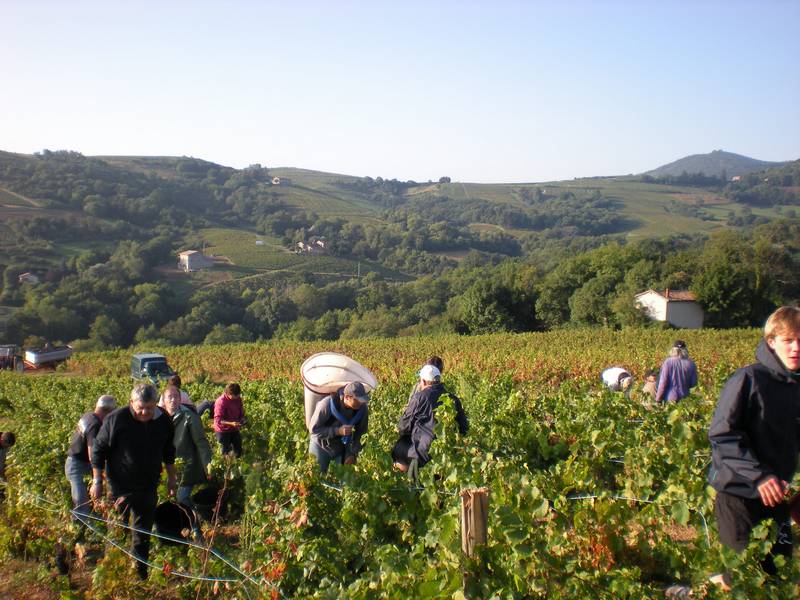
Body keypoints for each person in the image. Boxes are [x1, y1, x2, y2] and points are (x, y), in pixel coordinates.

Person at [708, 306, 800, 585]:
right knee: (739, 578)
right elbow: (723, 435)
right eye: (789, 340)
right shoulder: (748, 380)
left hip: (778, 498)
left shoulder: (797, 387)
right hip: (739, 496)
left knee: (775, 576)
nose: (797, 347)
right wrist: (758, 475)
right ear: (771, 342)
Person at [90, 383, 177, 580]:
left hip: (148, 486)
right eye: (141, 408)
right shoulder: (116, 419)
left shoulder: (163, 420)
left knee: (142, 533)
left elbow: (169, 452)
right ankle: (112, 572)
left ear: (156, 404)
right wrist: (97, 481)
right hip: (119, 487)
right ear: (131, 403)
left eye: (150, 408)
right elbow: (98, 450)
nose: (145, 412)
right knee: (116, 530)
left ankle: (140, 576)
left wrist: (172, 478)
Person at [393, 364, 469, 479]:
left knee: (398, 449)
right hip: (448, 452)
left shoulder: (419, 397)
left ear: (423, 381)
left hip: (423, 452)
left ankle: (407, 482)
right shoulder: (453, 398)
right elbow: (464, 429)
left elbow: (403, 426)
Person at [64, 394, 116, 520]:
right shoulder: (95, 425)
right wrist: (97, 480)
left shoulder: (88, 416)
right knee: (82, 504)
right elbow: (92, 454)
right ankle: (79, 534)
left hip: (76, 463)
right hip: (77, 467)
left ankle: (89, 528)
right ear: (108, 412)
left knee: (92, 501)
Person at [161, 385, 212, 508]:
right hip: (168, 467)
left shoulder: (189, 416)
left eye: (176, 397)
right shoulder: (158, 418)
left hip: (187, 466)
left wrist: (208, 466)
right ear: (163, 400)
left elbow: (201, 442)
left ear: (180, 399)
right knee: (169, 499)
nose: (173, 399)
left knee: (182, 497)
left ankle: (195, 525)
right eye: (170, 397)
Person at [308, 381, 370, 473]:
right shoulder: (326, 405)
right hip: (320, 445)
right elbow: (314, 430)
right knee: (315, 478)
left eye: (362, 400)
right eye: (357, 400)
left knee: (345, 482)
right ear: (347, 397)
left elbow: (361, 433)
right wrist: (338, 431)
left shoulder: (362, 409)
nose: (360, 403)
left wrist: (352, 453)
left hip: (340, 448)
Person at [213, 383, 244, 457]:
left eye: (238, 395)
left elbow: (241, 412)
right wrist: (231, 423)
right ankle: (226, 467)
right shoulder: (221, 402)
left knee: (238, 450)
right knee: (225, 453)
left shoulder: (238, 398)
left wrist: (242, 419)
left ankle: (236, 466)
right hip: (222, 431)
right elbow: (218, 420)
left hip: (234, 428)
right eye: (235, 396)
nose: (237, 397)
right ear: (228, 394)